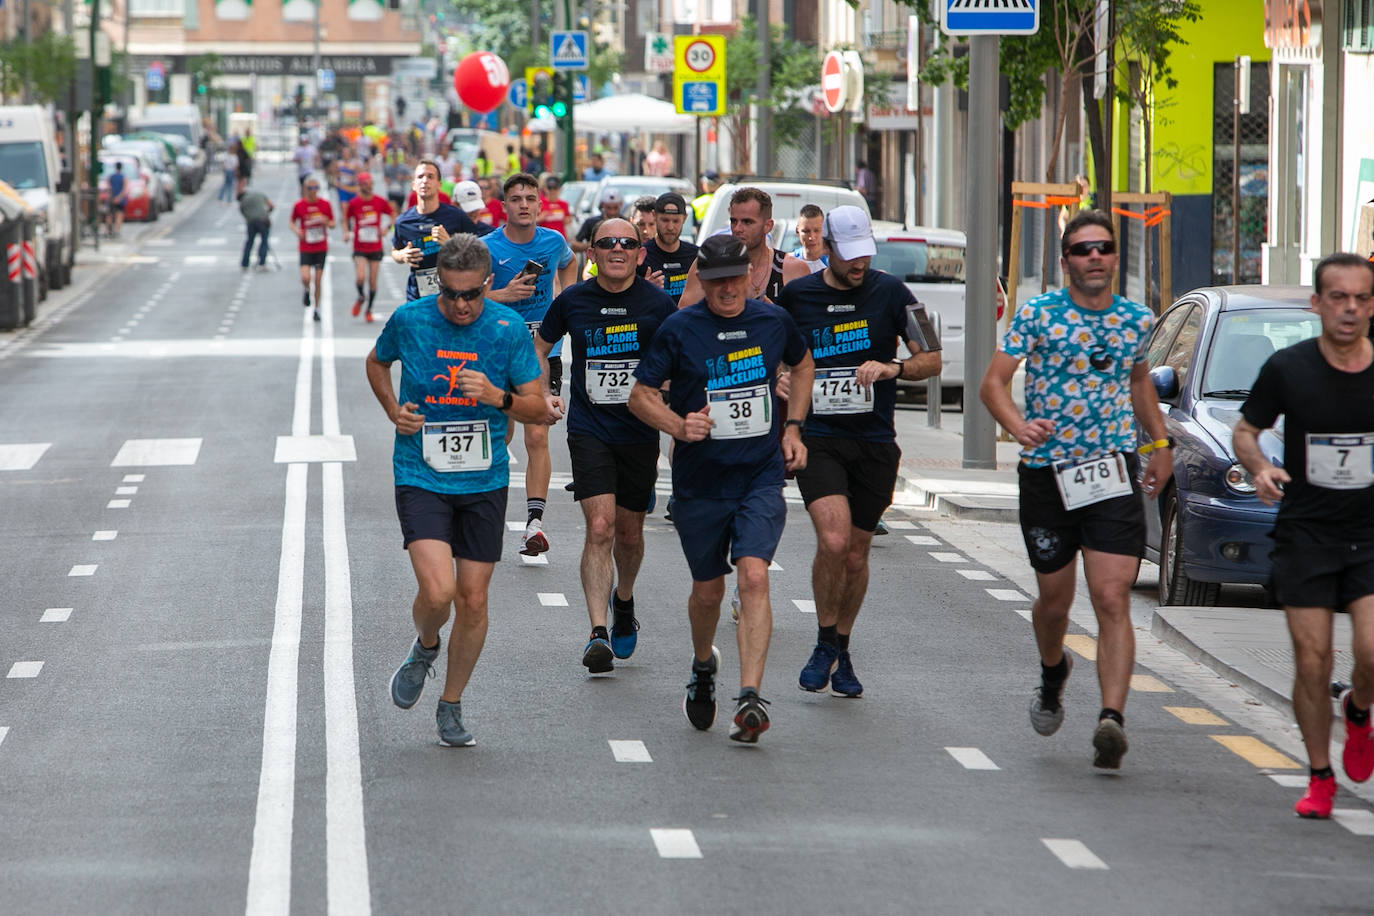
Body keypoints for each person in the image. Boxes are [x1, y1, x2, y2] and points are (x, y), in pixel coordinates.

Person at [977, 209, 1172, 771]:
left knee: (1111, 597)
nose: (1094, 257)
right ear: (1066, 261)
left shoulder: (1136, 320)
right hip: (1047, 476)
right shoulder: (1038, 314)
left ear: (1114, 257)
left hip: (1111, 474)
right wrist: (1018, 426)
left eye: (1103, 248)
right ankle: (1052, 669)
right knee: (1055, 602)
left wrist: (1159, 447)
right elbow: (994, 383)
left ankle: (1112, 718)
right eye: (1082, 249)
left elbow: (1140, 384)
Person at [627, 235, 815, 743]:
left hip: (759, 476)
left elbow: (802, 364)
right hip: (701, 481)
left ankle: (750, 695)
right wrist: (677, 425)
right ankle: (704, 663)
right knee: (709, 591)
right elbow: (640, 395)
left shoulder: (773, 322)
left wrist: (793, 428)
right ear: (702, 282)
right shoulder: (680, 328)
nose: (727, 289)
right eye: (715, 281)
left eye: (735, 278)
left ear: (751, 277)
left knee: (753, 577)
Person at [366, 233, 547, 748]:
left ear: (488, 284)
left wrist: (497, 396)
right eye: (451, 293)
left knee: (472, 598)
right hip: (421, 473)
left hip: (484, 478)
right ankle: (425, 646)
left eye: (472, 294)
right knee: (440, 590)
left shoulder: (508, 328)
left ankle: (451, 703)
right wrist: (392, 411)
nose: (462, 305)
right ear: (439, 285)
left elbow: (538, 408)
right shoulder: (413, 320)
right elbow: (377, 362)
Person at [777, 205, 941, 698]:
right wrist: (778, 379)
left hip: (873, 441)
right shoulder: (798, 295)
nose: (858, 264)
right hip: (819, 437)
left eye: (864, 254)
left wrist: (893, 368)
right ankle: (825, 641)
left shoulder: (891, 292)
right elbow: (765, 350)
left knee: (856, 554)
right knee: (833, 541)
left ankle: (842, 647)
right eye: (849, 256)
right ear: (825, 246)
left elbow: (931, 358)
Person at [1233, 253, 1374, 818]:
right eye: (1338, 297)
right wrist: (1259, 467)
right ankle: (1320, 777)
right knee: (1312, 662)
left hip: (1370, 532)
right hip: (1307, 533)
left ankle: (1359, 710)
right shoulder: (1288, 368)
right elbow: (1247, 431)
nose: (1350, 309)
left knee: (1371, 651)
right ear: (1316, 304)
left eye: (1361, 298)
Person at [536, 218, 677, 673]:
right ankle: (598, 632)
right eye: (606, 243)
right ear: (591, 253)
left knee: (630, 534)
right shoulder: (574, 300)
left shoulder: (659, 304)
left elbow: (682, 357)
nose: (617, 249)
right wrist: (542, 390)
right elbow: (540, 346)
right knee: (600, 526)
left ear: (640, 252)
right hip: (589, 429)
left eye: (627, 243)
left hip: (639, 431)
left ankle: (625, 599)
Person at [480, 173, 578, 556]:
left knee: (537, 435)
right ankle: (486, 512)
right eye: (516, 198)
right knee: (500, 437)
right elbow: (465, 295)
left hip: (542, 352)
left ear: (540, 205)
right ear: (503, 206)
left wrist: (565, 301)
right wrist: (503, 294)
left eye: (530, 198)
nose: (523, 204)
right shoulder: (487, 247)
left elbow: (569, 264)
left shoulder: (553, 241)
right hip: (497, 353)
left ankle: (534, 525)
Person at [679, 187, 810, 307]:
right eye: (733, 221)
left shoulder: (792, 269)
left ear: (768, 226)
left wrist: (776, 316)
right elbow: (684, 319)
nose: (738, 229)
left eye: (747, 222)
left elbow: (806, 326)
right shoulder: (710, 264)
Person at [391, 159, 480, 301]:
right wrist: (402, 255)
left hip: (452, 297)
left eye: (430, 176)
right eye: (420, 177)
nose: (425, 181)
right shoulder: (403, 222)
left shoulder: (456, 216)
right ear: (413, 185)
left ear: (439, 184)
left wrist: (450, 244)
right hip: (418, 297)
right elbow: (395, 250)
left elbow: (477, 254)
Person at [344, 173, 395, 322]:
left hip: (375, 246)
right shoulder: (354, 203)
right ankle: (361, 296)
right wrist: (346, 232)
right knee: (360, 277)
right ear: (360, 185)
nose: (370, 186)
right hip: (359, 247)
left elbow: (393, 214)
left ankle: (369, 309)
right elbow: (345, 219)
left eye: (371, 183)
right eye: (366, 183)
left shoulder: (379, 201)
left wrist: (387, 228)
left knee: (373, 281)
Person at [641, 192, 699, 305]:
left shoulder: (696, 255)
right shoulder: (641, 256)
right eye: (665, 220)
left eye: (676, 221)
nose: (670, 227)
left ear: (685, 218)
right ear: (654, 216)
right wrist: (644, 289)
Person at [290, 176, 335, 321]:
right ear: (305, 189)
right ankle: (306, 290)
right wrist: (298, 232)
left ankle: (316, 309)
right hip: (305, 247)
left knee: (318, 280)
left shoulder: (325, 204)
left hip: (320, 247)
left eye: (316, 188)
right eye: (310, 188)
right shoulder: (299, 205)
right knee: (305, 277)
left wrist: (326, 221)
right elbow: (292, 222)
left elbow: (333, 224)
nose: (314, 191)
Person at [571, 189, 623, 255]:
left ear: (621, 204)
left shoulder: (627, 223)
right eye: (608, 208)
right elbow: (574, 245)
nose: (612, 212)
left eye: (615, 208)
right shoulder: (591, 222)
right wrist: (595, 244)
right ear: (602, 205)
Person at [238, 185, 274, 272]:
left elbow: (243, 213)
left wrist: (250, 218)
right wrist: (266, 214)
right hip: (263, 220)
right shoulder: (259, 194)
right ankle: (262, 263)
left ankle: (245, 263)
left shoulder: (243, 201)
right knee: (264, 241)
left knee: (250, 242)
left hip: (251, 222)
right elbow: (271, 206)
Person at [792, 204, 828, 273]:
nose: (811, 237)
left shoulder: (833, 264)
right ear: (797, 231)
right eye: (806, 231)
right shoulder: (788, 263)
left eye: (816, 230)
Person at [105, 161, 128, 237]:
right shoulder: (123, 177)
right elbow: (124, 189)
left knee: (110, 214)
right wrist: (118, 198)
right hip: (120, 199)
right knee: (119, 214)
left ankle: (107, 230)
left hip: (111, 198)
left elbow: (108, 188)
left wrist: (112, 197)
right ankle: (116, 230)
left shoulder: (110, 177)